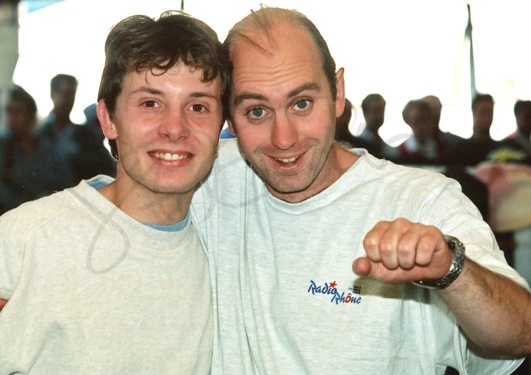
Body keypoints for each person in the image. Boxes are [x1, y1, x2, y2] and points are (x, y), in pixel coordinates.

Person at [190, 6, 531, 374]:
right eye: (257, 111)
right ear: (229, 115)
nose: (283, 138)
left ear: (338, 94)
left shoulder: (421, 201)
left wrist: (450, 269)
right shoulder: (201, 175)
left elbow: (520, 334)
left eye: (302, 103)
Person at [0, 11, 230, 373]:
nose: (175, 128)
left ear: (221, 126)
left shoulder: (225, 248)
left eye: (198, 106)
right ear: (108, 119)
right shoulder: (26, 241)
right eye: (150, 103)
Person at [0, 85, 70, 214]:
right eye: (9, 111)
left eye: (18, 112)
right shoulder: (4, 149)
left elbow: (67, 186)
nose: (11, 118)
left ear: (31, 117)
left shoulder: (50, 151)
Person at [38, 73, 115, 186]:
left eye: (71, 94)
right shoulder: (38, 133)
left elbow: (104, 163)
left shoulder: (84, 134)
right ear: (52, 94)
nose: (67, 100)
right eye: (64, 93)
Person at [358, 93, 398, 159]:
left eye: (381, 110)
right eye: (376, 110)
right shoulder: (358, 146)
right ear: (365, 113)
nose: (379, 116)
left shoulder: (387, 148)